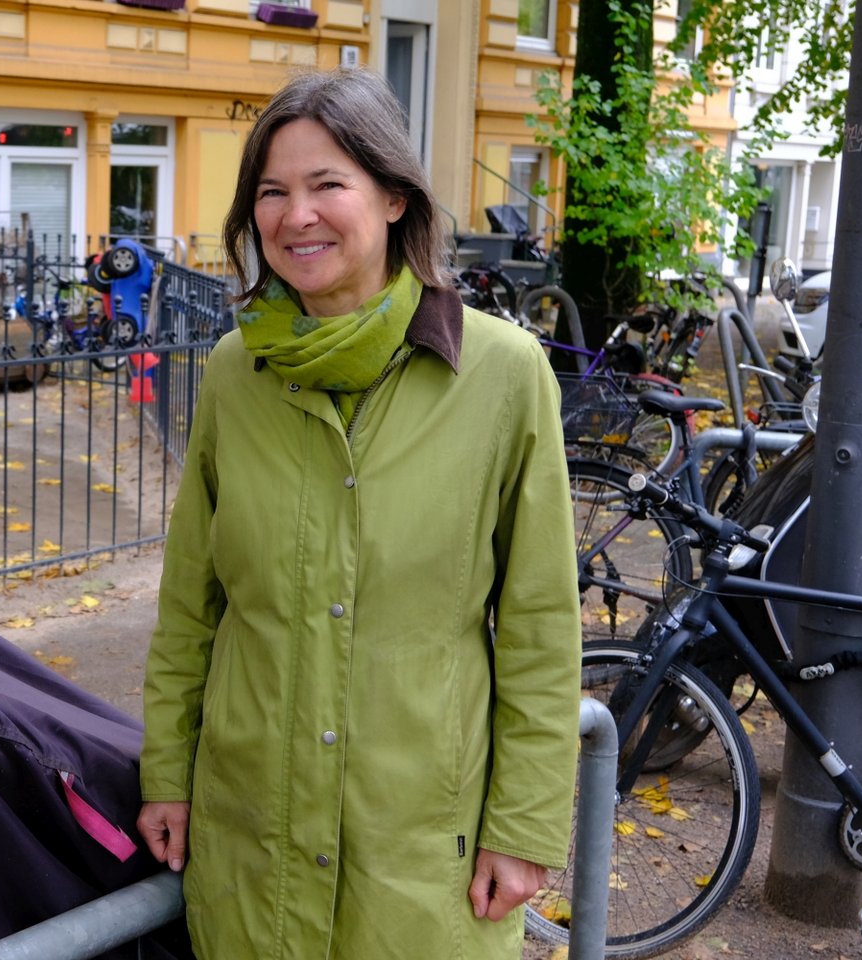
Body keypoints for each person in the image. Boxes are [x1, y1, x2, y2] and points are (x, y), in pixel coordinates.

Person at [136, 68, 579, 959]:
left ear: (391, 198)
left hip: (421, 854)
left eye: (326, 184)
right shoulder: (234, 372)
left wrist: (525, 827)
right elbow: (192, 603)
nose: (295, 215)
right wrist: (167, 775)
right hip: (250, 838)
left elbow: (538, 622)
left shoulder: (500, 374)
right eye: (271, 192)